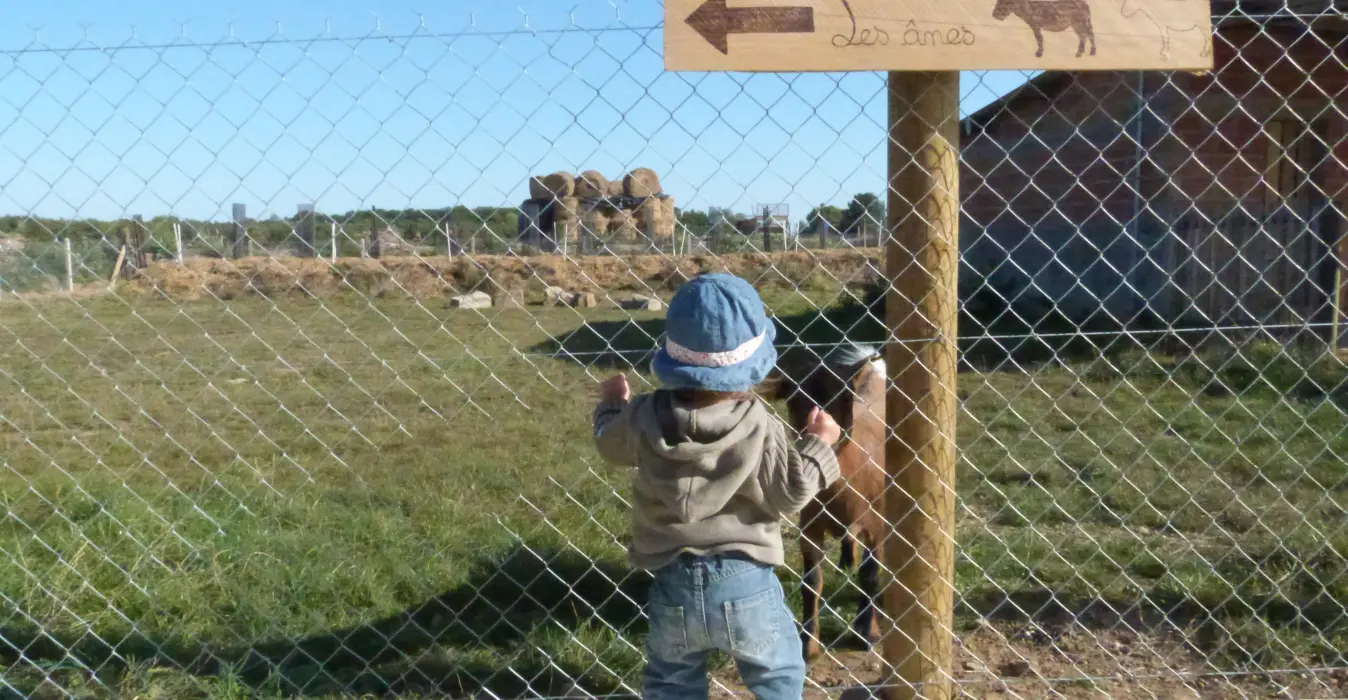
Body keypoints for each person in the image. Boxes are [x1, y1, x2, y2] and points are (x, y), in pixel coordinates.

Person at [591, 273, 843, 700]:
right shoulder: (759, 423)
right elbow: (791, 491)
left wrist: (612, 406)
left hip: (671, 580)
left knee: (672, 682)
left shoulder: (645, 414)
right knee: (779, 673)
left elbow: (610, 445)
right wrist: (820, 444)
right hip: (746, 579)